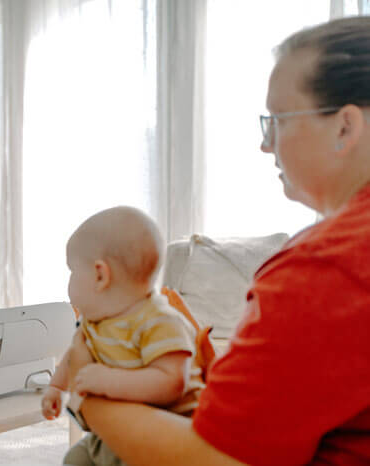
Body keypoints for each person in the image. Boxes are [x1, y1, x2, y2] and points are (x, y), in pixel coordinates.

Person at [66, 16, 370, 465]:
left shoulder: (325, 266)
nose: (267, 145)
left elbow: (212, 458)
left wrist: (86, 393)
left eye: (278, 121)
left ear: (344, 127)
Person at [42, 206, 205, 466]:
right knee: (75, 459)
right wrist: (56, 388)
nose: (69, 282)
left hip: (158, 439)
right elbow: (75, 355)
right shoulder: (95, 321)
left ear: (100, 275)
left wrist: (108, 380)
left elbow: (171, 380)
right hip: (111, 433)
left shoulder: (161, 320)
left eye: (72, 271)